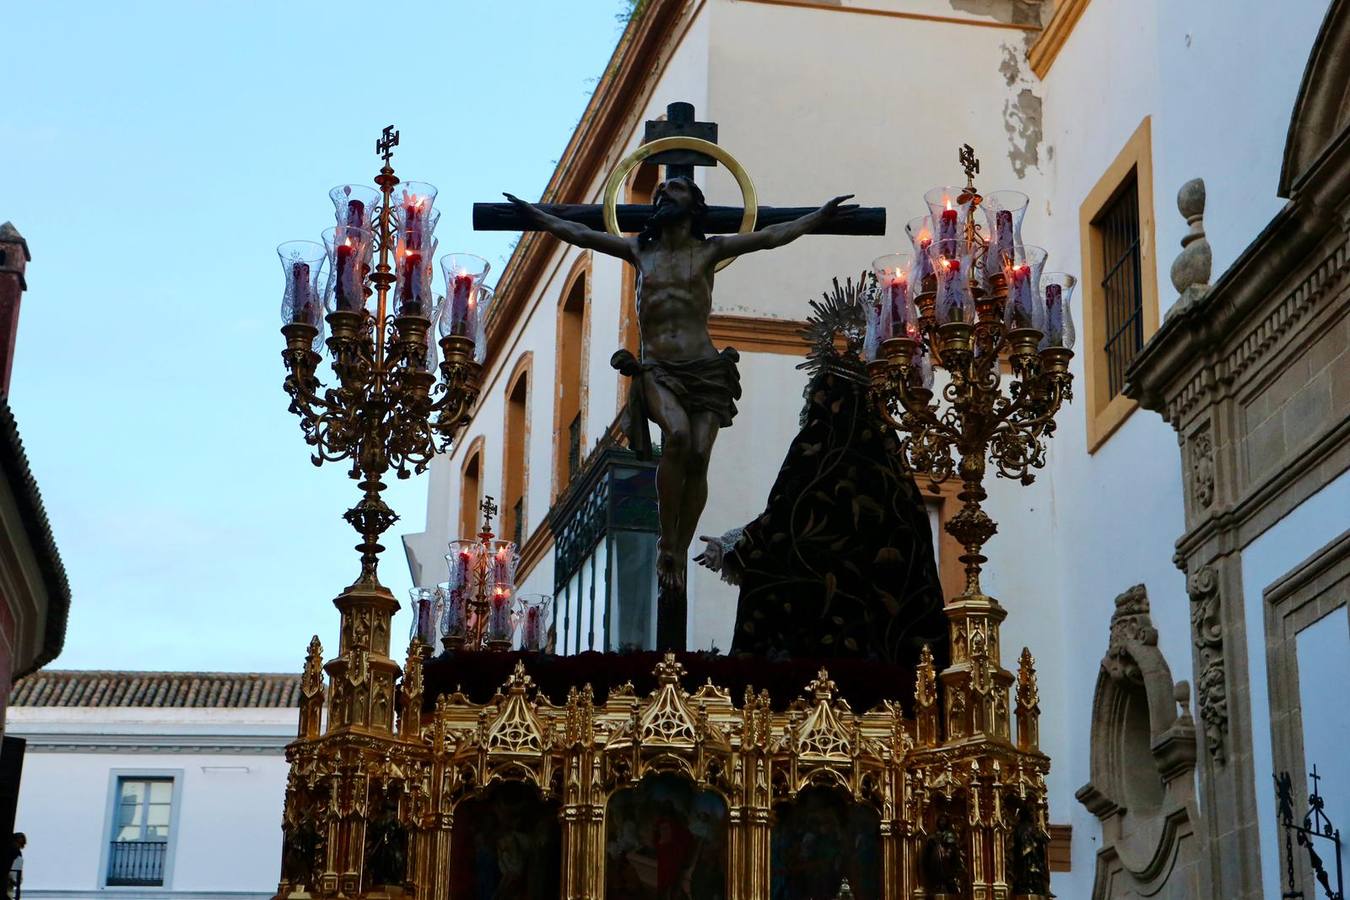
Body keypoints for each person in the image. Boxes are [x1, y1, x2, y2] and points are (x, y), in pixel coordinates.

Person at [504, 181, 853, 593]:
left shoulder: (709, 250)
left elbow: (771, 237)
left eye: (675, 189)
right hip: (658, 368)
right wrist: (536, 216)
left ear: (694, 205)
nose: (663, 193)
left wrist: (818, 217)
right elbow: (580, 233)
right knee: (679, 437)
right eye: (659, 191)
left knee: (700, 455)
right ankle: (666, 540)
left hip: (705, 367)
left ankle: (680, 545)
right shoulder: (639, 251)